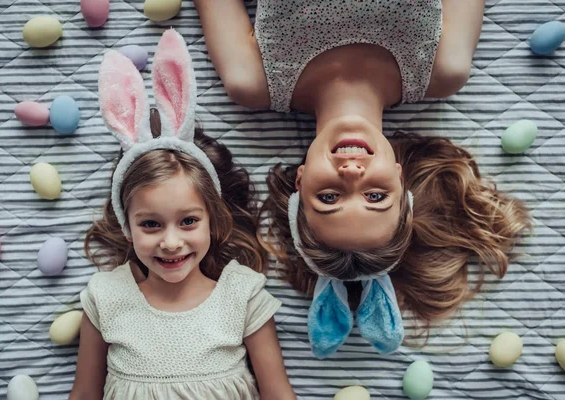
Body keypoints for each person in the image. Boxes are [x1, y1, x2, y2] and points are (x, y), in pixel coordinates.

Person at [195, 0, 532, 358]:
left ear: (301, 181)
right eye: (375, 196)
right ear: (401, 182)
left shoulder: (252, 80)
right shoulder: (444, 69)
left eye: (328, 198)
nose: (352, 173)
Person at [69, 30, 296, 400]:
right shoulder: (106, 297)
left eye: (188, 221)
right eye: (151, 224)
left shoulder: (242, 295)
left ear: (213, 220)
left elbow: (279, 394)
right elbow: (83, 395)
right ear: (128, 227)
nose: (171, 242)